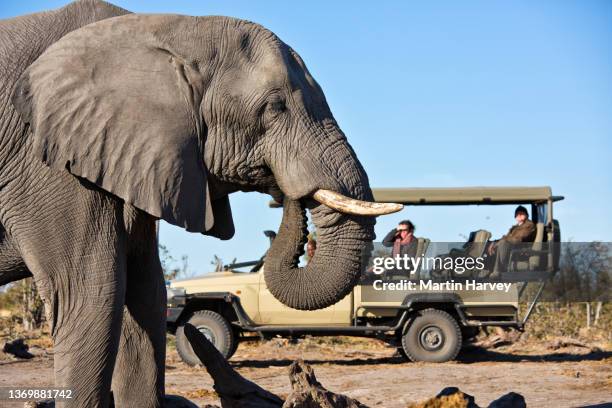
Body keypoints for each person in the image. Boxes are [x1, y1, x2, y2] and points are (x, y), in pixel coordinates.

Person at [487, 205, 536, 275]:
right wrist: (495, 243)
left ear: (526, 215)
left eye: (522, 213)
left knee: (503, 243)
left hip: (520, 249)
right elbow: (507, 237)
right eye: (517, 214)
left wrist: (499, 242)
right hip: (512, 248)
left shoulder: (529, 225)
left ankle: (499, 270)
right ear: (515, 216)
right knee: (492, 244)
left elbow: (518, 239)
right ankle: (486, 270)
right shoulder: (515, 227)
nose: (519, 215)